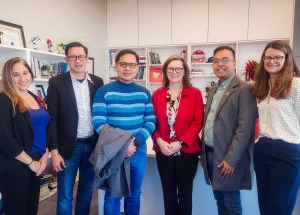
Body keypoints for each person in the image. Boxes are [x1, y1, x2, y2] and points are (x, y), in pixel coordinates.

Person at [92, 49, 156, 215]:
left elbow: (150, 121)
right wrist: (123, 145)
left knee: (134, 194)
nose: (127, 68)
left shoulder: (144, 93)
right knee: (113, 195)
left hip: (137, 150)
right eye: (123, 64)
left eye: (132, 65)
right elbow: (98, 122)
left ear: (137, 67)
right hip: (113, 151)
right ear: (116, 66)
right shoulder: (104, 91)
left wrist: (134, 142)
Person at [46, 42, 104, 215]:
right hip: (67, 149)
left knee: (86, 191)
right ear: (67, 59)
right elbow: (52, 120)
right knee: (64, 195)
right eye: (73, 57)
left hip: (92, 146)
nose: (77, 60)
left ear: (86, 58)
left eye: (81, 57)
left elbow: (101, 113)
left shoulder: (97, 82)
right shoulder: (56, 83)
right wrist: (54, 153)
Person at [201, 46, 257, 215]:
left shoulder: (244, 89)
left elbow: (245, 128)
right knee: (219, 199)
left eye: (225, 60)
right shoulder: (213, 89)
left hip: (227, 157)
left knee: (231, 202)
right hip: (211, 154)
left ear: (234, 62)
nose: (220, 64)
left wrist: (231, 160)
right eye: (216, 61)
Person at [152, 55, 204, 215]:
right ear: (165, 72)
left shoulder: (194, 93)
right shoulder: (157, 94)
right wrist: (159, 141)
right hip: (164, 151)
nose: (174, 71)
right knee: (168, 194)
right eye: (171, 68)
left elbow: (197, 122)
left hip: (187, 152)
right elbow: (151, 121)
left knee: (185, 194)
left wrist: (180, 143)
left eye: (178, 68)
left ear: (184, 71)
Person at [252, 40, 300, 215]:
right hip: (263, 149)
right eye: (268, 57)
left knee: (280, 208)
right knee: (265, 207)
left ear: (287, 59)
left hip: (287, 151)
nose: (271, 61)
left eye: (277, 57)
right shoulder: (263, 87)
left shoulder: (296, 85)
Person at [0, 57, 49, 215]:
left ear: (31, 74)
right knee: (16, 210)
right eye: (15, 75)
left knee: (31, 208)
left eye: (25, 72)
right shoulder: (4, 100)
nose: (22, 78)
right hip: (16, 165)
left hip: (37, 161)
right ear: (8, 77)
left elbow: (43, 128)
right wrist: (30, 162)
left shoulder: (34, 97)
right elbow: (5, 140)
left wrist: (45, 153)